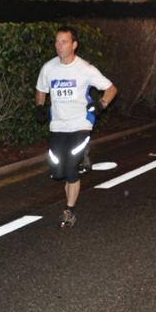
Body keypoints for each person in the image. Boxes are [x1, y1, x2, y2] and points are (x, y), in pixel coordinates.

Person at [35, 26, 118, 228]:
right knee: (58, 171)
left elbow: (111, 89)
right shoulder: (49, 68)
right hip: (58, 125)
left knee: (71, 168)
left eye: (64, 42)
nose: (59, 46)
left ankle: (69, 210)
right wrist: (40, 106)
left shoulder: (85, 69)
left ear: (74, 45)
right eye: (57, 42)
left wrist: (101, 105)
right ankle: (81, 157)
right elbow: (40, 89)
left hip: (81, 124)